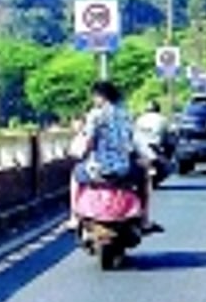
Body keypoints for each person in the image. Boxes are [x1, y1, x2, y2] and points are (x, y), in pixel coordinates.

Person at [67, 80, 163, 234]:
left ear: (100, 96)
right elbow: (134, 140)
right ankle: (145, 219)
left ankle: (74, 217)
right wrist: (147, 157)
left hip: (96, 170)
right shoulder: (125, 114)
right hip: (123, 170)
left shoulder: (95, 115)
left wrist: (81, 152)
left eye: (94, 97)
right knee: (145, 178)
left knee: (75, 175)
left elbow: (88, 140)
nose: (94, 100)